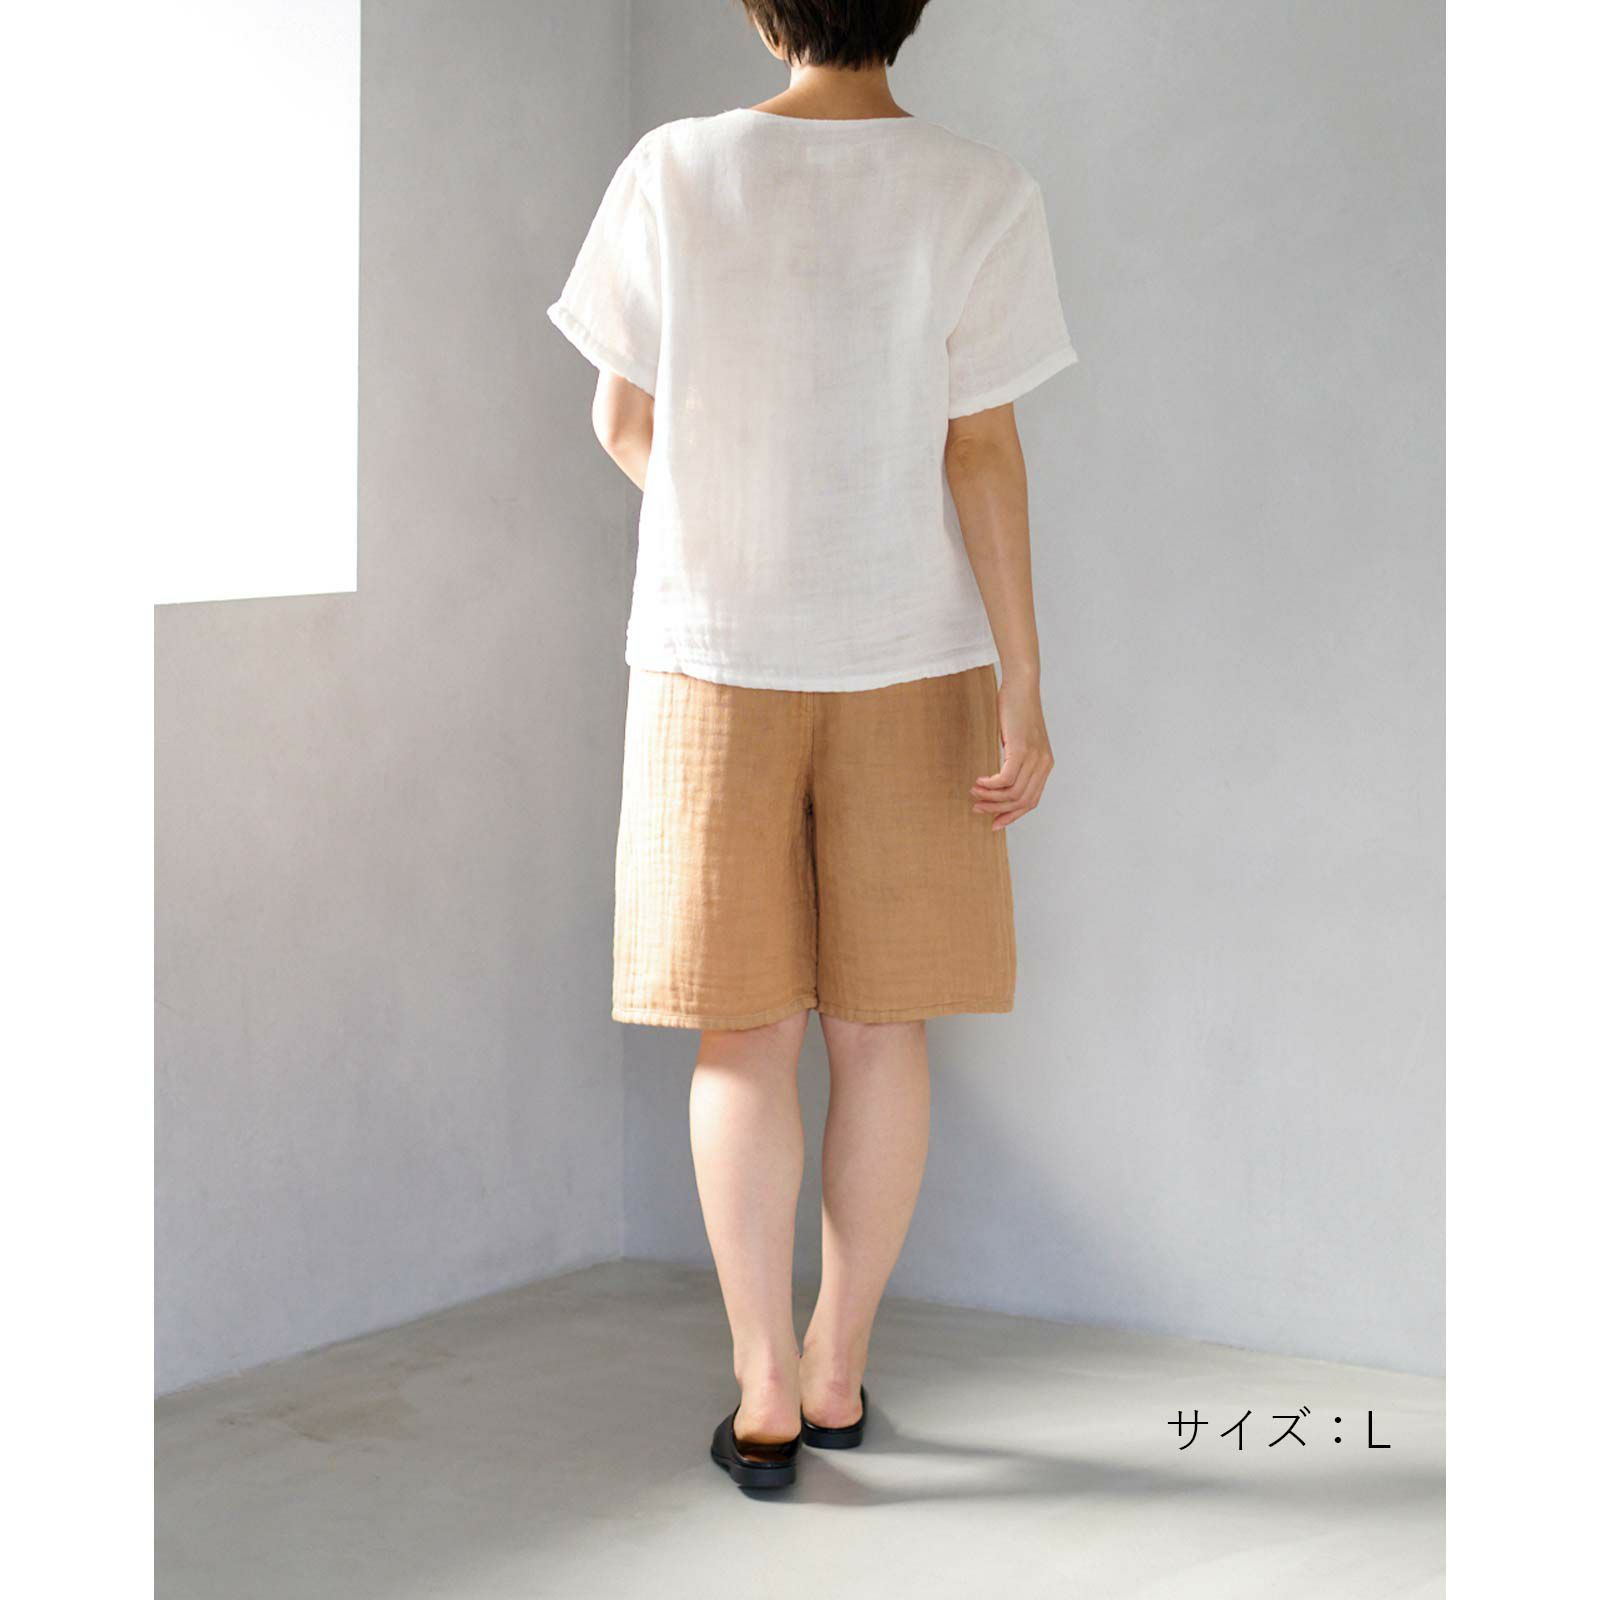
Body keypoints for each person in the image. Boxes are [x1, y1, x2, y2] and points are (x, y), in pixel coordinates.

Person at [548, 0, 1076, 1490]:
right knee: (882, 1029)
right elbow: (983, 450)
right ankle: (839, 1367)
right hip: (913, 654)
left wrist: (733, 521)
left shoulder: (673, 168)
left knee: (741, 1034)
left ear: (759, 6)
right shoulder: (980, 189)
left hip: (710, 659)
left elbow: (622, 419)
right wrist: (1026, 685)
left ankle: (765, 1388)